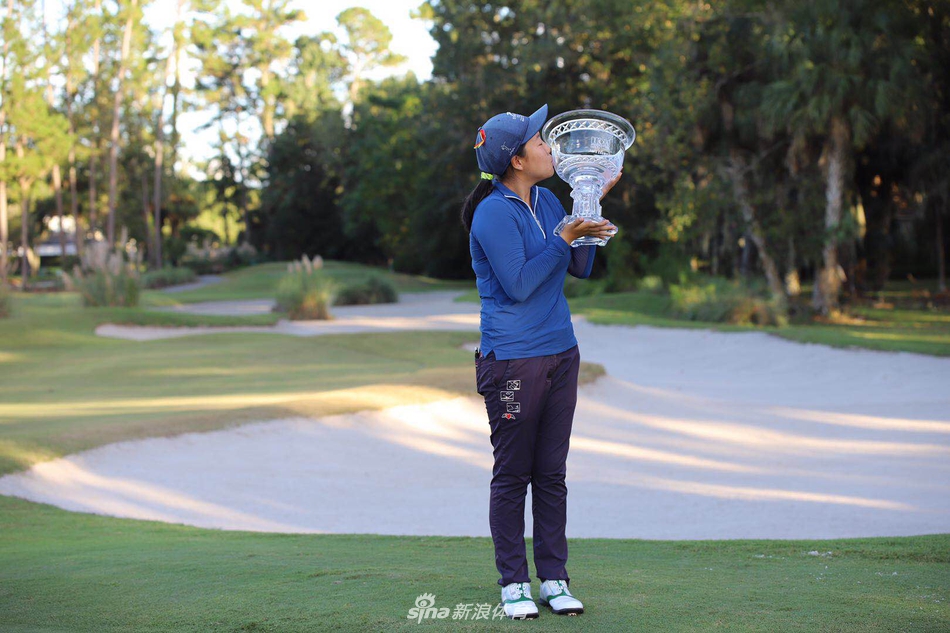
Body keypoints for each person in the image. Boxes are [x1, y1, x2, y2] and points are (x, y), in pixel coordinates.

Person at [460, 104, 620, 620]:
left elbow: (580, 268)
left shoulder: (550, 200)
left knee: (551, 474)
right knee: (513, 476)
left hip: (560, 352)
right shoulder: (492, 213)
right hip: (512, 361)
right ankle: (514, 584)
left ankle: (554, 578)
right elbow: (522, 283)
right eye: (539, 141)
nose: (550, 147)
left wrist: (586, 208)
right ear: (517, 160)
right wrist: (565, 236)